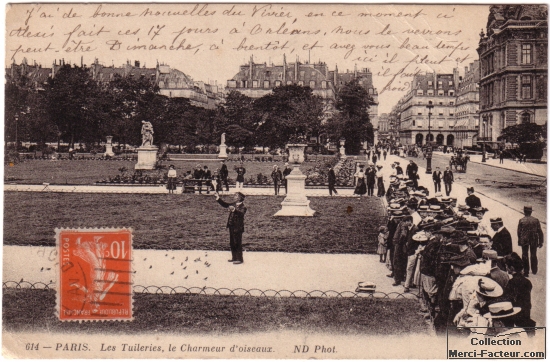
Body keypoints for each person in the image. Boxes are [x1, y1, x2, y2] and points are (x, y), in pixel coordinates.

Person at [504, 253, 534, 332]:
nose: (506, 268)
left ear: (512, 268)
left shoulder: (511, 282)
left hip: (517, 317)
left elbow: (508, 299)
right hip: (526, 314)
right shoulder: (527, 282)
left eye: (507, 266)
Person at [215, 192, 247, 265]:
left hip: (238, 228)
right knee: (232, 243)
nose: (234, 196)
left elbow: (241, 214)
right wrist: (218, 198)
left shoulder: (243, 207)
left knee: (237, 243)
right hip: (231, 226)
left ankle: (239, 259)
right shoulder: (234, 204)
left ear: (239, 198)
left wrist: (234, 210)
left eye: (236, 196)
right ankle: (234, 258)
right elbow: (225, 204)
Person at [517, 206, 544, 277]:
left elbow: (519, 232)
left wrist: (519, 240)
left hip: (524, 240)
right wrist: (541, 241)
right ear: (531, 212)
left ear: (524, 212)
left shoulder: (521, 220)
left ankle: (526, 271)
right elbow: (540, 231)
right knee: (533, 254)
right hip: (534, 239)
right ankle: (534, 270)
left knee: (524, 255)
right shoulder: (536, 220)